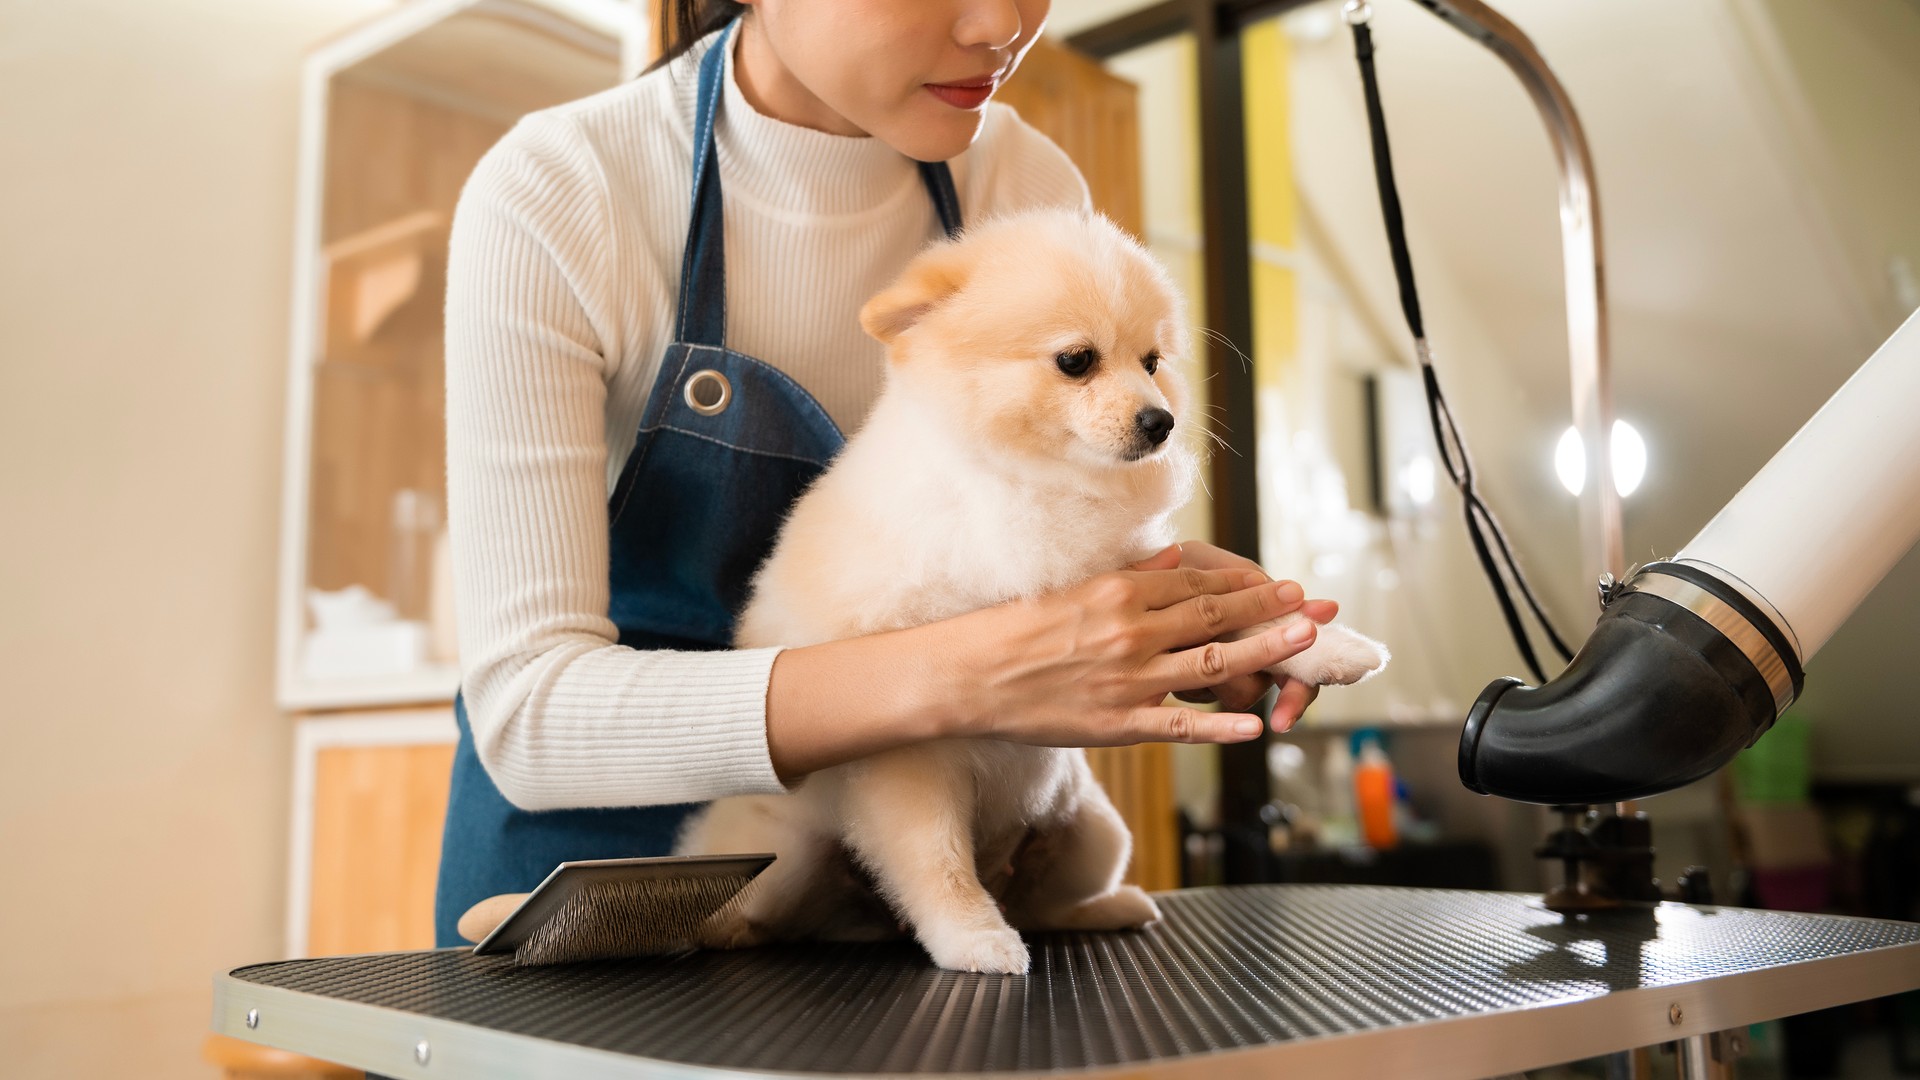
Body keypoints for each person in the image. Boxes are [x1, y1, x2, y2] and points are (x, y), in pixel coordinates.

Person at [433, 0, 1336, 948]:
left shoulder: (1022, 187)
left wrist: (1153, 621)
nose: (1000, 26)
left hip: (908, 899)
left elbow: (1025, 543)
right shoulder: (566, 192)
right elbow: (533, 718)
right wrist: (983, 672)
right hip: (595, 893)